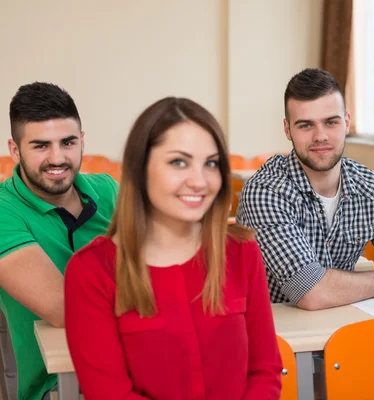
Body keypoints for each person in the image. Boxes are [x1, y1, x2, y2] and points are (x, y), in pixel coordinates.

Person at [64, 97, 282, 400]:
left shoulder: (242, 253)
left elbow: (264, 371)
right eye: (178, 162)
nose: (199, 181)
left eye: (211, 163)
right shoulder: (92, 271)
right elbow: (110, 394)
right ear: (140, 169)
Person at [236, 68, 374, 311]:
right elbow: (309, 291)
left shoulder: (372, 187)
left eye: (331, 122)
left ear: (346, 122)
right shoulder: (265, 191)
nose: (320, 136)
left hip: (343, 321)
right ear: (287, 130)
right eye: (306, 125)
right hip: (278, 336)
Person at [0, 82, 118, 400]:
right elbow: (66, 309)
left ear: (81, 141)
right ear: (15, 150)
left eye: (67, 143)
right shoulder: (3, 211)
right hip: (58, 386)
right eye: (40, 146)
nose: (57, 158)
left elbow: (173, 271)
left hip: (139, 362)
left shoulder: (108, 189)